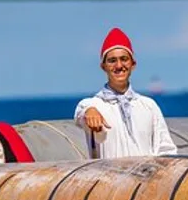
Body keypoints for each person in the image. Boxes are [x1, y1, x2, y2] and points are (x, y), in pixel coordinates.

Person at [74, 27, 177, 159]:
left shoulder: (148, 106)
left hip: (147, 178)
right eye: (112, 60)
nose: (118, 65)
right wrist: (89, 111)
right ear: (103, 66)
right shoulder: (93, 104)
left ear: (133, 64)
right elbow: (80, 113)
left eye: (124, 59)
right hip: (109, 178)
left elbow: (165, 149)